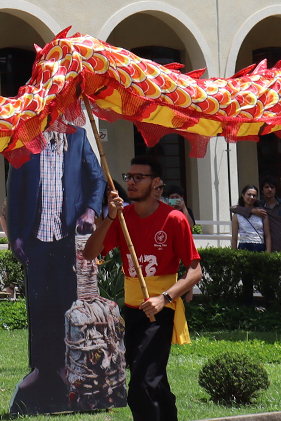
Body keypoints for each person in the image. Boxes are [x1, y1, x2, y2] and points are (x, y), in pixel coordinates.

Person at [83, 155, 202, 421]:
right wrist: (110, 217)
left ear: (156, 183)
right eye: (129, 177)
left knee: (140, 387)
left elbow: (195, 271)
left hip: (161, 312)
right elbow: (91, 253)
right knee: (155, 384)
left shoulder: (174, 219)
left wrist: (165, 298)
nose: (131, 182)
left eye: (139, 177)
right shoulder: (122, 218)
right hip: (133, 311)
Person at [4, 126, 104, 414]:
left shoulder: (78, 137)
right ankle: (40, 368)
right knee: (38, 307)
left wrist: (91, 210)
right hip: (34, 238)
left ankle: (66, 368)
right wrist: (15, 236)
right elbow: (15, 189)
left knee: (67, 305)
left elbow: (96, 180)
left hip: (67, 237)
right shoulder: (25, 138)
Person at [230, 175, 281, 253]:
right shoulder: (259, 206)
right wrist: (253, 211)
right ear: (262, 190)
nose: (269, 189)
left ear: (276, 190)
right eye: (266, 187)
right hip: (265, 249)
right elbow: (233, 208)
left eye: (272, 187)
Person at [231, 185, 270, 252]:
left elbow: (267, 235)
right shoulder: (236, 215)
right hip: (244, 246)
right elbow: (234, 238)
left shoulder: (261, 213)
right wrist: (234, 253)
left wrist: (268, 252)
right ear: (243, 195)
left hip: (260, 246)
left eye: (254, 195)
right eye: (249, 194)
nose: (251, 197)